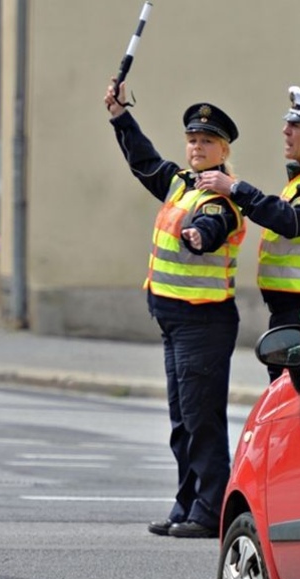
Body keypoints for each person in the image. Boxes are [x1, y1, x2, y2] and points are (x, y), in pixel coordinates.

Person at [104, 79, 245, 539]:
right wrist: (121, 117)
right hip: (174, 320)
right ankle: (186, 503)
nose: (197, 147)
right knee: (182, 422)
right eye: (192, 140)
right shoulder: (181, 185)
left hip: (203, 322)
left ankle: (210, 511)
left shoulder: (221, 198)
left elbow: (214, 226)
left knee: (202, 421)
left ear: (223, 149)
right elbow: (145, 162)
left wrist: (199, 236)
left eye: (206, 141)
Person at [196, 86, 300, 381]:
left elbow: (290, 221)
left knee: (296, 390)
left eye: (295, 125)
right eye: (287, 123)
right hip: (297, 308)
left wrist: (235, 189)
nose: (285, 131)